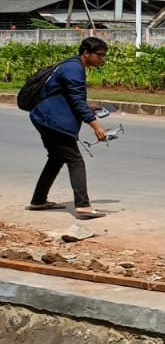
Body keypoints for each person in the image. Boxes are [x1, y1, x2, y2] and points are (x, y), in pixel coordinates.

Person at [26, 37, 111, 220]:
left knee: (56, 158)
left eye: (104, 56)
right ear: (86, 53)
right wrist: (96, 125)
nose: (101, 59)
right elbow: (77, 101)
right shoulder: (74, 69)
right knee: (75, 160)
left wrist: (88, 108)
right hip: (51, 120)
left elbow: (67, 96)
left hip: (43, 117)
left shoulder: (71, 65)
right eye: (99, 55)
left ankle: (38, 200)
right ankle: (83, 206)